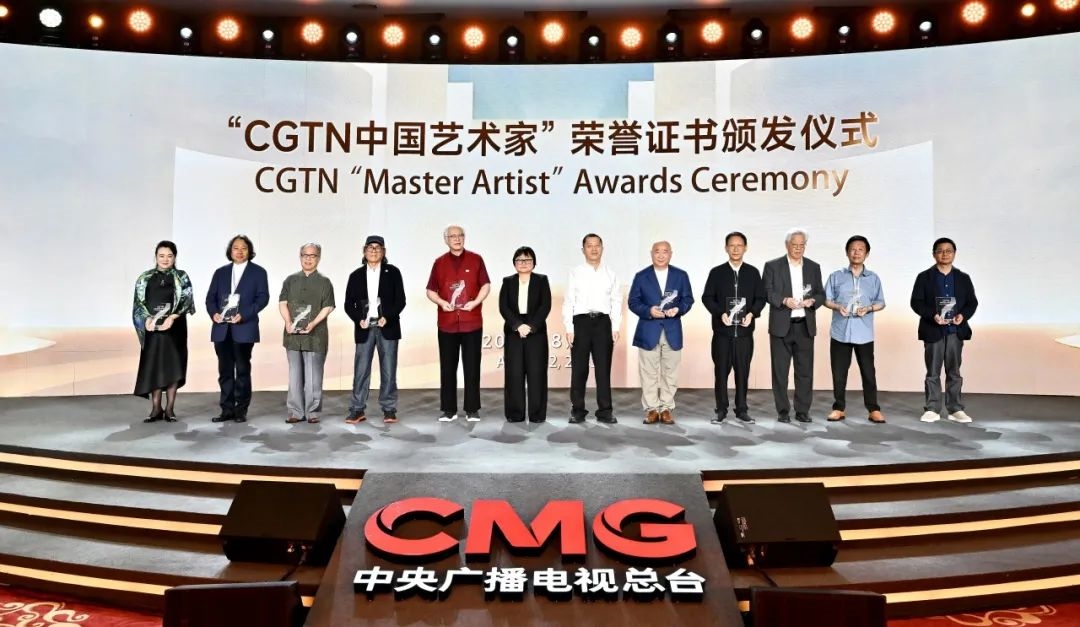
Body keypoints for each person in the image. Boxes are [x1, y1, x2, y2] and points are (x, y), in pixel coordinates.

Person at [425, 224, 491, 422]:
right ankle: (448, 410)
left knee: (472, 367)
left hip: (472, 322)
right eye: (452, 236)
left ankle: (472, 409)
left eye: (460, 235)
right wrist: (442, 302)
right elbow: (430, 290)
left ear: (464, 237)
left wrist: (475, 302)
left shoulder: (476, 259)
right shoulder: (439, 263)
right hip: (447, 323)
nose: (457, 238)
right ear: (446, 240)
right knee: (447, 368)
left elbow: (486, 285)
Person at [910, 237, 978, 423]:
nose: (944, 254)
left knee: (954, 371)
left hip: (955, 330)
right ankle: (932, 408)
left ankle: (955, 409)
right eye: (940, 251)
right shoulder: (924, 277)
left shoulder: (963, 278)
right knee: (932, 372)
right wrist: (932, 315)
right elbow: (916, 302)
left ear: (954, 254)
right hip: (933, 330)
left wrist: (963, 316)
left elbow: (972, 302)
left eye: (948, 251)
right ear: (934, 254)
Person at [701, 232, 766, 424]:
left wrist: (752, 314)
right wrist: (720, 313)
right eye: (732, 245)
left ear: (745, 248)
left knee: (743, 372)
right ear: (726, 248)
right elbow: (707, 297)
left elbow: (761, 298)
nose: (736, 249)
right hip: (722, 334)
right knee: (721, 372)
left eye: (739, 245)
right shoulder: (717, 272)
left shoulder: (753, 272)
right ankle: (721, 410)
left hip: (744, 334)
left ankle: (742, 409)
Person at [627, 241, 694, 425]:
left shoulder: (680, 275)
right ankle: (651, 409)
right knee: (648, 373)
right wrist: (649, 310)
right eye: (657, 251)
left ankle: (666, 408)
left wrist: (678, 309)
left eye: (665, 251)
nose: (661, 255)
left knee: (670, 372)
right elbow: (633, 302)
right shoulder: (641, 276)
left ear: (671, 254)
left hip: (672, 329)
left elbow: (688, 299)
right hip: (648, 330)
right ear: (651, 253)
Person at [763, 227, 825, 423]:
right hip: (782, 326)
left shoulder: (813, 267)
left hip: (805, 326)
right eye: (794, 245)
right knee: (780, 372)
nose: (798, 248)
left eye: (802, 245)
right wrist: (784, 300)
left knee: (805, 372)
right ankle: (783, 411)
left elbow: (821, 294)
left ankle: (802, 411)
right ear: (787, 245)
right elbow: (767, 292)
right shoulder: (773, 266)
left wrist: (813, 301)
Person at [206, 235, 270, 423]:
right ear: (230, 251)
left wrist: (244, 314)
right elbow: (210, 299)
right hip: (222, 329)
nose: (240, 251)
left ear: (249, 251)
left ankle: (240, 410)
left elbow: (263, 298)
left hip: (244, 328)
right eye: (236, 248)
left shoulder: (258, 272)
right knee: (225, 372)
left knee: (242, 370)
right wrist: (214, 314)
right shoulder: (220, 273)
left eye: (244, 248)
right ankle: (226, 410)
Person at [344, 235, 407, 425]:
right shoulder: (356, 275)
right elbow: (348, 304)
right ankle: (357, 409)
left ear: (383, 252)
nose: (373, 250)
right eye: (370, 247)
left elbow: (400, 301)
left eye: (377, 247)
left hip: (387, 326)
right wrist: (359, 319)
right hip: (364, 328)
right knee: (361, 370)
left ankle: (389, 409)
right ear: (364, 251)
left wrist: (388, 316)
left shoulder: (393, 272)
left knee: (388, 370)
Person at [824, 236, 887, 424]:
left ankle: (873, 409)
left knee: (868, 372)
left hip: (864, 333)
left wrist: (869, 308)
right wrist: (837, 307)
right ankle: (838, 408)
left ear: (867, 254)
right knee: (839, 373)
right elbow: (826, 299)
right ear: (847, 252)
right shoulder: (836, 276)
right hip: (840, 332)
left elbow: (881, 302)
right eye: (853, 249)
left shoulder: (873, 278)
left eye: (861, 249)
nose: (856, 252)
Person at [132, 240, 196, 422]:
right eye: (161, 256)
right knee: (154, 367)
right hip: (153, 330)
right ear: (156, 257)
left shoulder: (181, 277)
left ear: (175, 257)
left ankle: (169, 409)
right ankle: (155, 409)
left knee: (173, 366)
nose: (165, 259)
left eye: (169, 256)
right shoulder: (145, 278)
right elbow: (139, 304)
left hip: (175, 329)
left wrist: (172, 317)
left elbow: (187, 301)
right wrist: (146, 319)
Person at [563, 233, 621, 424]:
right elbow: (569, 301)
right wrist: (569, 328)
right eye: (589, 246)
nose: (594, 249)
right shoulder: (575, 272)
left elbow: (616, 300)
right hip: (581, 323)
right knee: (579, 369)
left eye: (597, 245)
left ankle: (605, 411)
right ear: (583, 250)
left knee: (603, 370)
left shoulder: (610, 273)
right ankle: (577, 410)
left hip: (603, 323)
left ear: (602, 248)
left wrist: (616, 326)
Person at [278, 243, 335, 424]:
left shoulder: (324, 282)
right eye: (305, 255)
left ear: (319, 258)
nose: (308, 259)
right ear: (300, 256)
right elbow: (282, 303)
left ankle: (312, 412)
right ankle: (296, 412)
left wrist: (313, 323)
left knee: (313, 376)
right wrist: (288, 322)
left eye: (313, 255)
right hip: (292, 335)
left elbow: (328, 306)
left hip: (315, 336)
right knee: (294, 375)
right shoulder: (290, 280)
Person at [499, 246, 552, 423]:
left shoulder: (541, 280)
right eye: (519, 260)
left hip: (535, 332)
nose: (523, 263)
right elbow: (504, 307)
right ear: (514, 263)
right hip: (514, 331)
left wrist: (530, 326)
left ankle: (537, 414)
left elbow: (545, 306)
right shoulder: (508, 281)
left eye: (527, 260)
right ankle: (515, 414)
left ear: (534, 263)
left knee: (537, 374)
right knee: (514, 374)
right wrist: (517, 325)